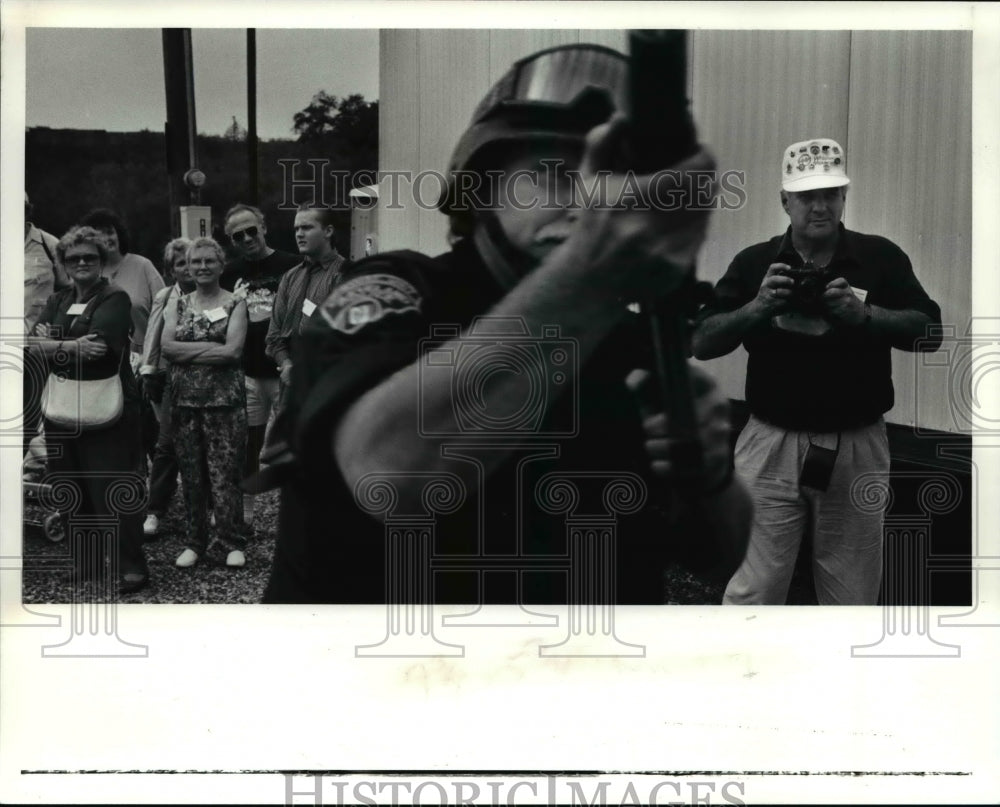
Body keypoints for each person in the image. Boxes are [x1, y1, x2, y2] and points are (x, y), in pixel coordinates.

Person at [264, 43, 751, 604]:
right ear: (481, 189)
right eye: (554, 174)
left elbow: (717, 557)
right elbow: (392, 478)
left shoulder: (632, 340)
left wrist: (710, 476)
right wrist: (592, 275)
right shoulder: (398, 292)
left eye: (610, 181)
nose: (588, 203)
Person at [691, 137, 942, 605]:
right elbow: (701, 342)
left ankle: (842, 678)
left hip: (856, 444)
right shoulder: (754, 264)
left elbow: (929, 333)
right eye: (807, 196)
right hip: (769, 442)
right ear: (785, 200)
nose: (819, 206)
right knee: (755, 589)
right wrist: (758, 306)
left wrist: (863, 313)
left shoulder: (879, 258)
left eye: (830, 194)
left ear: (845, 196)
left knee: (852, 593)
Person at [29, 226, 149, 594]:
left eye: (89, 257)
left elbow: (99, 349)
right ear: (64, 263)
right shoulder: (59, 299)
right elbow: (33, 344)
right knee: (71, 486)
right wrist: (70, 346)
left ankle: (132, 566)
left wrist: (54, 345)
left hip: (109, 407)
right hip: (62, 405)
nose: (81, 263)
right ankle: (88, 563)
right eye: (74, 258)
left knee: (112, 488)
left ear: (102, 261)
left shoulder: (115, 298)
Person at [161, 237, 249, 569]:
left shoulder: (235, 303)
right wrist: (212, 348)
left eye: (209, 261)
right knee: (192, 475)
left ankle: (230, 541)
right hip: (185, 403)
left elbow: (233, 352)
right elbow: (167, 348)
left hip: (224, 403)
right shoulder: (178, 304)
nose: (201, 267)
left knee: (225, 473)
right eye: (195, 261)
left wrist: (190, 352)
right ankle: (194, 542)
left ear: (221, 265)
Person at [219, 204, 300, 525]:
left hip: (285, 372)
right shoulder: (228, 273)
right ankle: (247, 514)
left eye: (252, 230)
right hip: (247, 372)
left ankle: (296, 515)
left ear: (263, 226)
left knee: (294, 446)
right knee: (247, 446)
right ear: (231, 240)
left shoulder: (293, 265)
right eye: (238, 235)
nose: (247, 238)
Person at [138, 237, 195, 537]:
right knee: (166, 444)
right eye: (180, 263)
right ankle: (155, 509)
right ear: (171, 269)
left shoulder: (210, 294)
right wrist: (149, 370)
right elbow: (152, 336)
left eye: (191, 261)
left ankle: (205, 507)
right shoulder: (165, 296)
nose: (187, 268)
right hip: (166, 376)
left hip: (202, 376)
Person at [265, 205, 347, 398]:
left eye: (307, 228)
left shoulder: (344, 274)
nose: (299, 234)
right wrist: (286, 364)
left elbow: (342, 339)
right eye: (296, 229)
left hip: (327, 384)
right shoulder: (290, 277)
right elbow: (274, 335)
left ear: (328, 231)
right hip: (289, 384)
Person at [23, 192, 69, 464]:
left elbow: (69, 290)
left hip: (35, 349)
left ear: (29, 210)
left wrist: (55, 326)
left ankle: (18, 484)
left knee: (28, 417)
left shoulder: (50, 245)